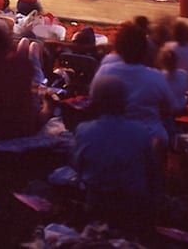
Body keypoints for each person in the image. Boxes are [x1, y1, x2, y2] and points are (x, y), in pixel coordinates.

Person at [72, 77, 165, 232]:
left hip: (97, 203)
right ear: (125, 101)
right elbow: (151, 172)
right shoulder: (141, 132)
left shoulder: (83, 131)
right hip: (133, 205)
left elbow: (77, 167)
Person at [90, 21, 172, 144]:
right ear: (144, 49)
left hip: (111, 135)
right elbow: (170, 107)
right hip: (149, 137)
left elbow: (93, 99)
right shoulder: (156, 77)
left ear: (119, 46)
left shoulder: (106, 70)